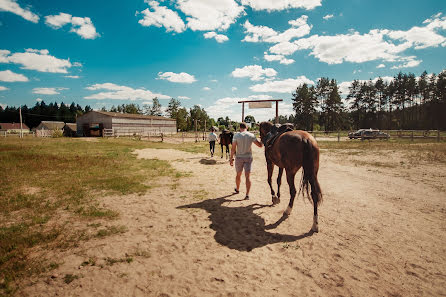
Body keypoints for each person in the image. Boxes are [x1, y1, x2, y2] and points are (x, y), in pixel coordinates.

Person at [230, 122, 263, 199]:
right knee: (247, 176)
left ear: (239, 128)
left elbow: (233, 149)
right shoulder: (251, 135)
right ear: (246, 127)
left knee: (238, 174)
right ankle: (247, 194)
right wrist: (261, 139)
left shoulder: (236, 136)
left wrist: (231, 158)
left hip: (239, 157)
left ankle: (237, 189)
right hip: (248, 157)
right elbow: (260, 145)